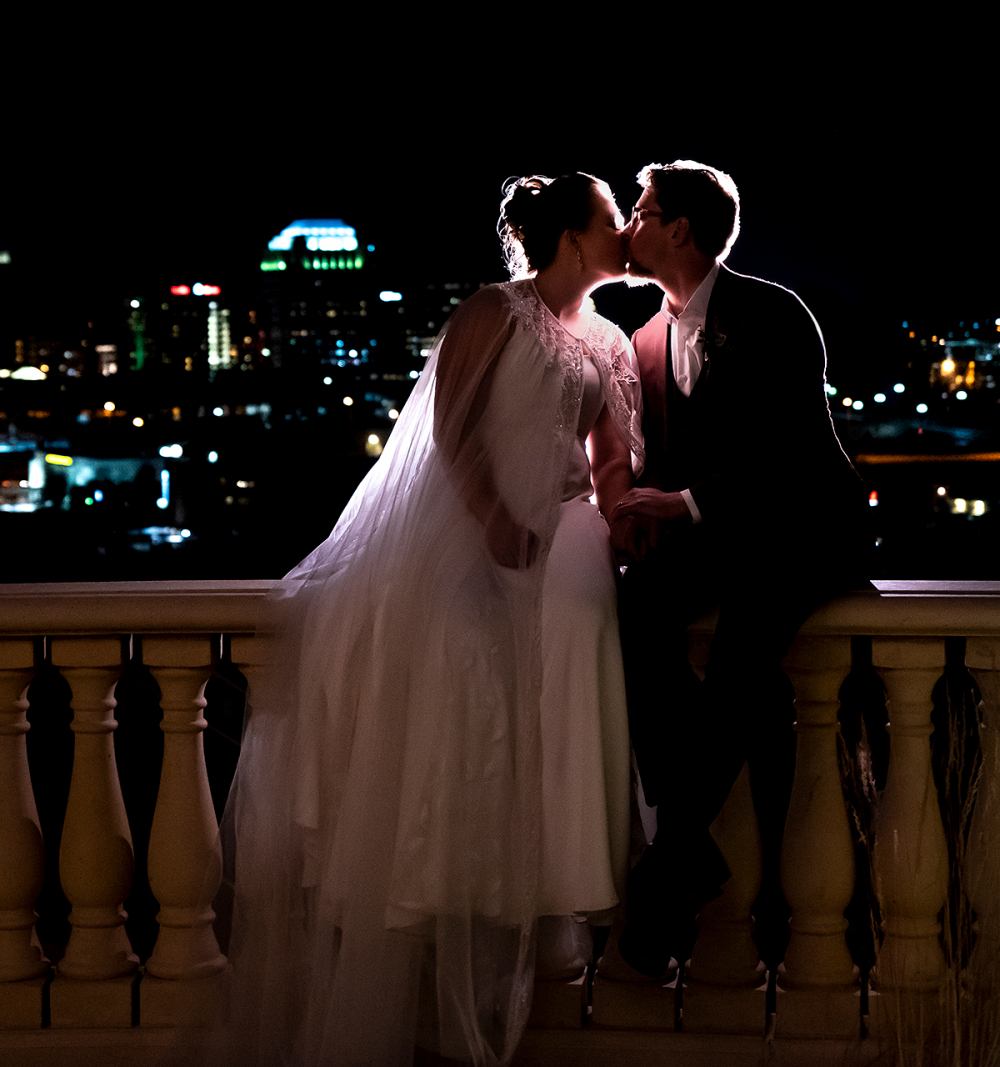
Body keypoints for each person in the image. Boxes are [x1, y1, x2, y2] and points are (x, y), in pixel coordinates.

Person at [197, 173, 643, 1066]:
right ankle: (441, 928)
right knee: (462, 705)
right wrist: (492, 520)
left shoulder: (609, 342)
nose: (626, 232)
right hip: (479, 541)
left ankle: (525, 903)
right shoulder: (493, 311)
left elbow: (607, 459)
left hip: (559, 553)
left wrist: (626, 514)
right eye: (609, 221)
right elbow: (452, 428)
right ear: (568, 238)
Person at [609, 160, 865, 978]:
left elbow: (793, 457)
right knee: (629, 609)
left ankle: (673, 857)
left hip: (799, 532)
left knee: (741, 654)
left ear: (680, 229)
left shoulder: (774, 313)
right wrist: (648, 516)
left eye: (641, 210)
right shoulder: (645, 338)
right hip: (714, 540)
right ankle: (685, 847)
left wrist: (679, 504)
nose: (629, 225)